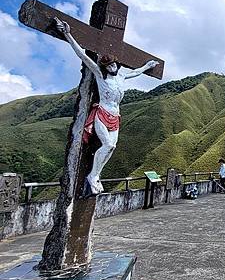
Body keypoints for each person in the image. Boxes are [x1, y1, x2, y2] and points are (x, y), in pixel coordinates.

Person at [54, 17, 158, 196]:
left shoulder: (121, 77)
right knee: (107, 144)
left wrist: (147, 65)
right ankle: (92, 176)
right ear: (105, 67)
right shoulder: (100, 76)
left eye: (114, 64)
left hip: (115, 117)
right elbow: (82, 55)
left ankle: (96, 175)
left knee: (111, 147)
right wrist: (68, 34)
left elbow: (135, 72)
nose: (112, 67)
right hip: (102, 113)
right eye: (109, 65)